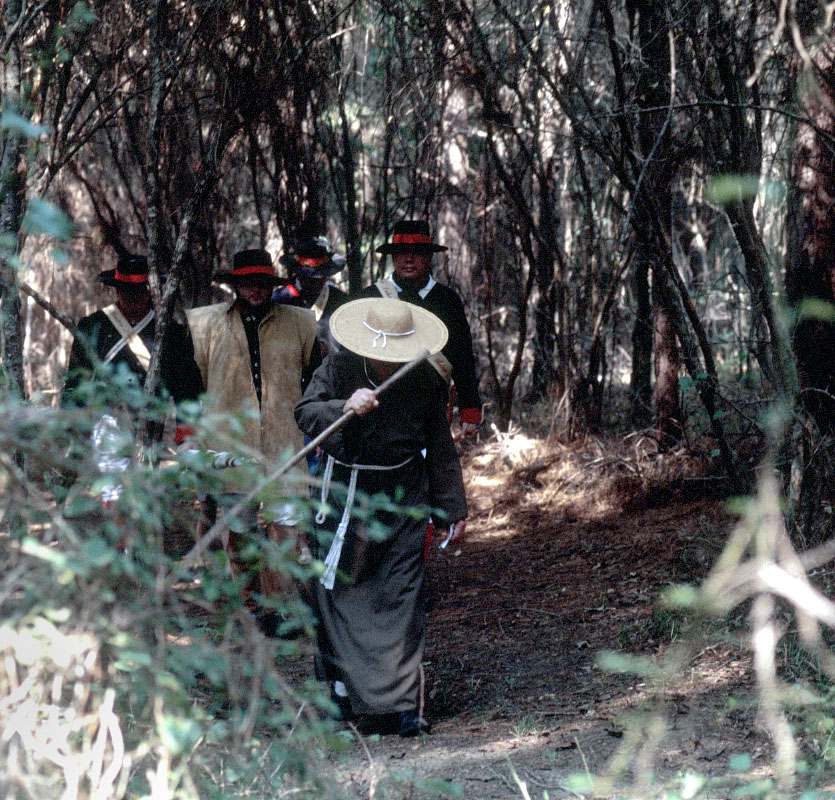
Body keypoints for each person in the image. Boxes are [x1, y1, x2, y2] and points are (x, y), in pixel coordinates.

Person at [295, 297, 468, 736]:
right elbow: (305, 412)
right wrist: (343, 407)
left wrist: (452, 509)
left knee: (401, 598)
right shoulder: (338, 369)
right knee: (339, 597)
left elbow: (440, 446)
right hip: (346, 500)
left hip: (405, 498)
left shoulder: (428, 379)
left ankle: (403, 705)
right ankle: (343, 697)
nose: (387, 359)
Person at [186, 248, 320, 634]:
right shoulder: (205, 324)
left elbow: (314, 379)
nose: (256, 290)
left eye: (263, 283)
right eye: (249, 283)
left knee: (287, 529)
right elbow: (191, 387)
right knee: (239, 532)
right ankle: (252, 606)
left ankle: (282, 610)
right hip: (229, 446)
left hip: (285, 442)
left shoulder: (300, 323)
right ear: (236, 286)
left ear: (272, 285)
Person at [62, 253, 204, 502]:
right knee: (114, 491)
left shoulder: (170, 332)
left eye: (139, 290)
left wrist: (185, 435)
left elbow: (186, 388)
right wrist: (75, 426)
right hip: (109, 419)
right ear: (116, 291)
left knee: (146, 491)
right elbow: (76, 381)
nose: (132, 297)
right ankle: (120, 541)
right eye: (126, 290)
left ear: (149, 291)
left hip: (152, 423)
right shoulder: (94, 326)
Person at [361, 219, 482, 436]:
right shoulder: (372, 296)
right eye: (401, 252)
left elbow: (462, 357)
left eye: (416, 252)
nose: (408, 259)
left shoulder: (447, 300)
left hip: (431, 411)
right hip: (379, 409)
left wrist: (469, 410)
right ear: (392, 257)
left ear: (429, 257)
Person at [274, 233, 349, 359]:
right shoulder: (280, 301)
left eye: (319, 278)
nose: (313, 282)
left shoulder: (341, 301)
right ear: (298, 274)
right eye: (307, 278)